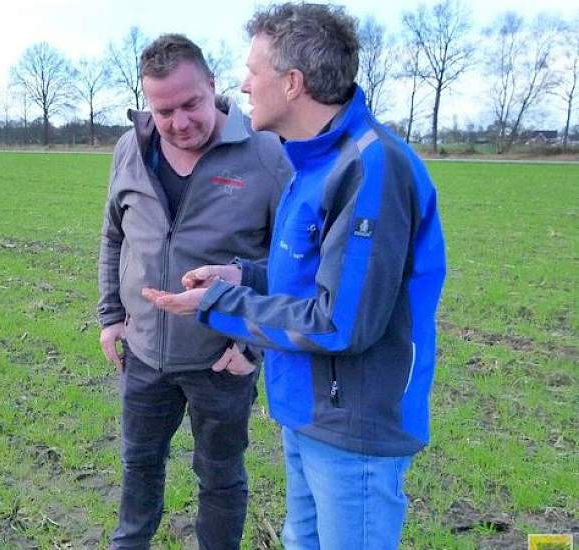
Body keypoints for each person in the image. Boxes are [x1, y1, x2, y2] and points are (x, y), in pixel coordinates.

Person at [145, 4, 446, 549]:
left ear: (292, 83)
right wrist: (241, 276)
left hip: (352, 427)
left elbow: (338, 322)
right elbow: (307, 278)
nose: (242, 84)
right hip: (309, 412)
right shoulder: (313, 163)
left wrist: (219, 304)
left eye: (252, 71)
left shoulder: (370, 168)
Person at [97, 34, 290, 550]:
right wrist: (111, 314)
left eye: (191, 104)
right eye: (164, 111)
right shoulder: (129, 150)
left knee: (220, 476)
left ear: (212, 86)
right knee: (139, 465)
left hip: (221, 359)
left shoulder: (265, 154)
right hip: (143, 356)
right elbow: (115, 235)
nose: (180, 122)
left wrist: (252, 342)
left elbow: (294, 266)